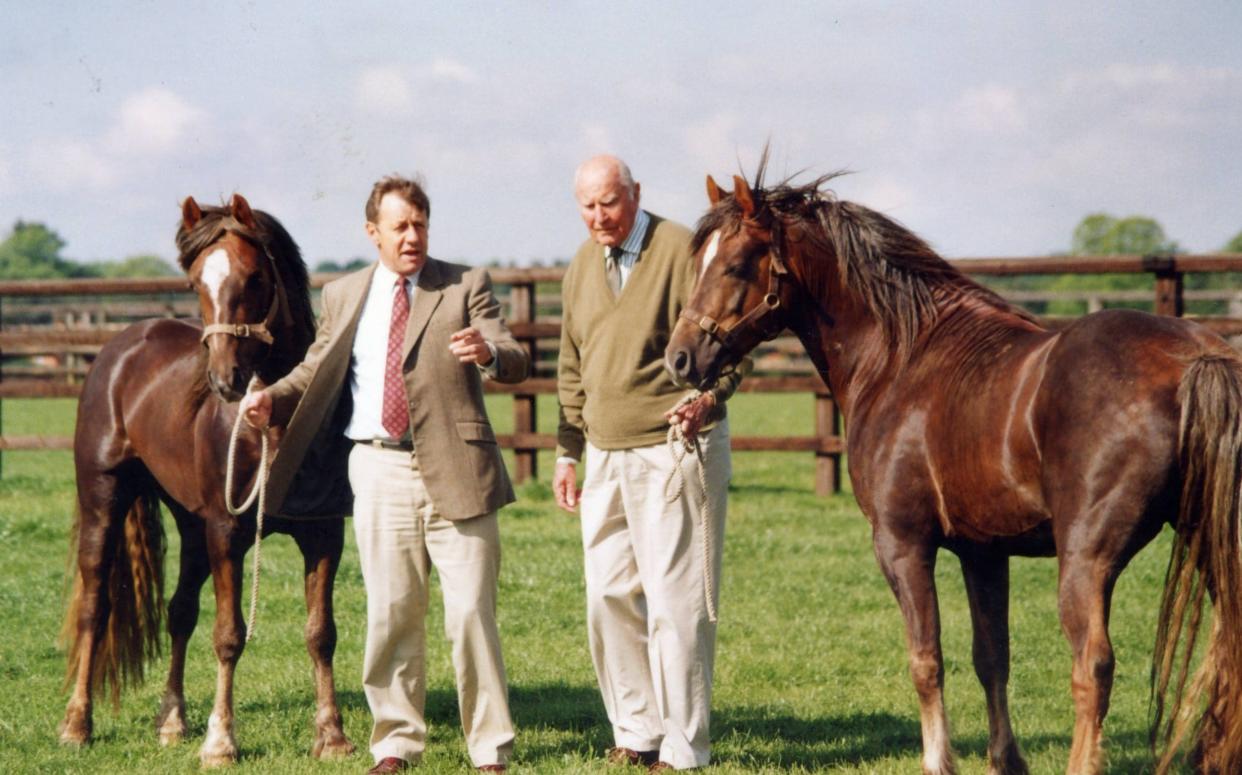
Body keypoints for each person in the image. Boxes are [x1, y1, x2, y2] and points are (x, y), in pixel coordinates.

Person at [241, 174, 525, 774]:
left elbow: (513, 351)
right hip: (377, 469)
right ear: (372, 233)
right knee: (392, 610)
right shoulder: (344, 294)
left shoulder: (464, 283)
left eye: (420, 224)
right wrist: (273, 398)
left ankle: (490, 749)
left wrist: (490, 352)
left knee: (471, 612)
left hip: (460, 469)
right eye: (399, 226)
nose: (412, 236)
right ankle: (395, 743)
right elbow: (315, 369)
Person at [554, 155, 748, 772]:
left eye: (609, 202)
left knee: (676, 604)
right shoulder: (583, 264)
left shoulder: (683, 250)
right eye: (587, 205)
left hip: (673, 448)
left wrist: (709, 399)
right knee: (607, 597)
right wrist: (566, 450)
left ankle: (685, 749)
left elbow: (733, 340)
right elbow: (570, 366)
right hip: (604, 454)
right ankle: (636, 732)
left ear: (635, 193)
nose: (598, 217)